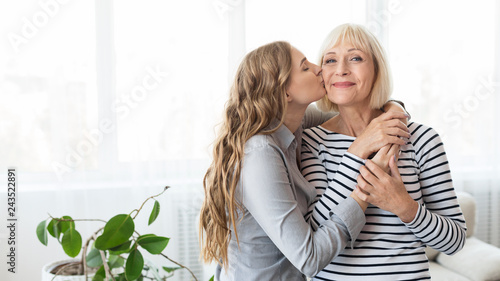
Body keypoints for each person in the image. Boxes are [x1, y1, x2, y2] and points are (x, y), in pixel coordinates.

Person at [198, 41, 409, 281]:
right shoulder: (260, 153)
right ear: (285, 92)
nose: (318, 68)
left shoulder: (292, 122)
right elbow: (310, 259)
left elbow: (359, 116)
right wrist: (364, 188)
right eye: (305, 67)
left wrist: (392, 109)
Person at [301, 23, 467, 280]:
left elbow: (454, 241)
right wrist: (357, 151)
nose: (341, 69)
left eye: (355, 58)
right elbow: (313, 233)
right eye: (330, 60)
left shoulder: (422, 139)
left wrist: (405, 207)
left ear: (377, 70)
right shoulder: (311, 141)